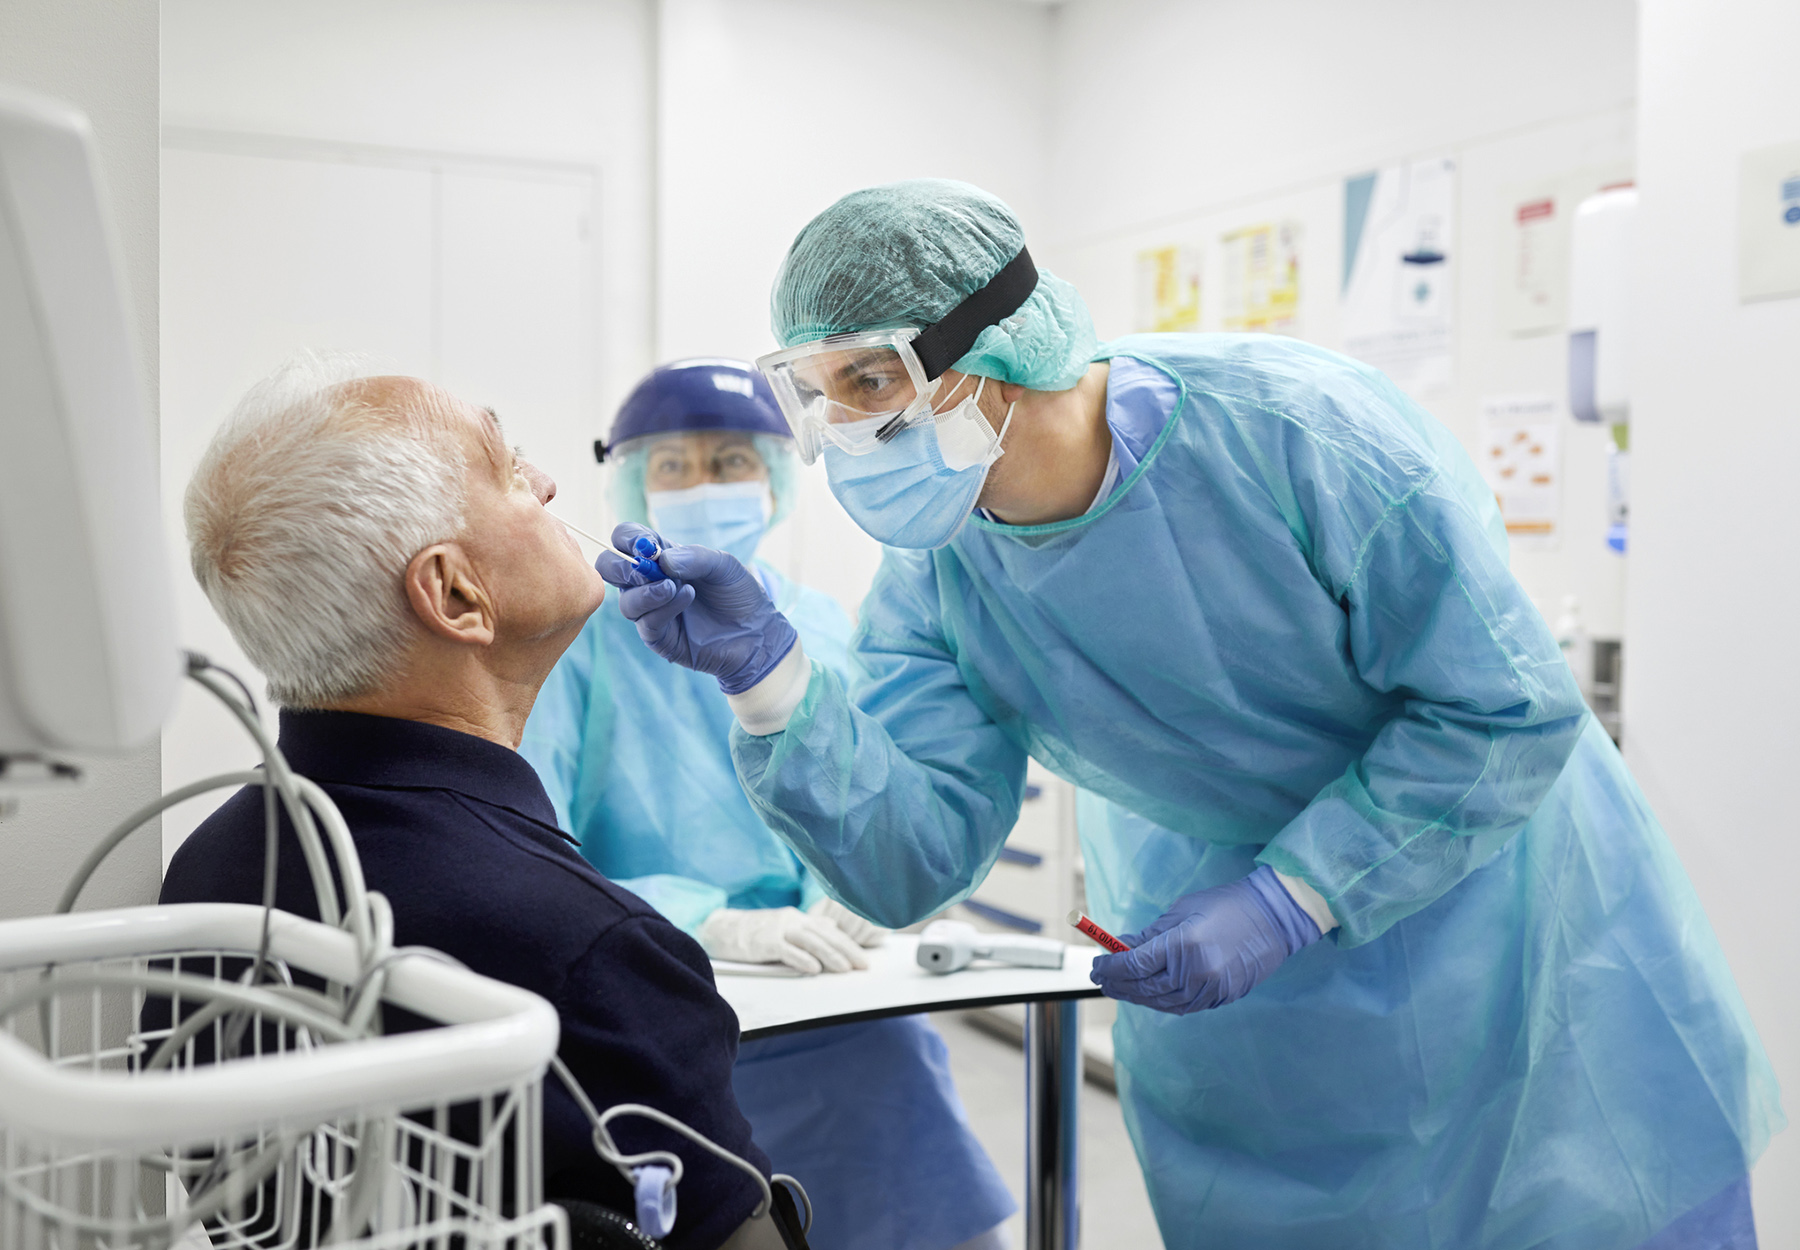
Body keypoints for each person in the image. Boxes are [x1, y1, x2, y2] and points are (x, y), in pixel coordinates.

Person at [595, 180, 1782, 1249]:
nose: (842, 432)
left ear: (991, 345)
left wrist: (1293, 894)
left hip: (1512, 946)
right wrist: (772, 680)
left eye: (868, 380)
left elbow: (1507, 710)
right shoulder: (942, 567)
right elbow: (914, 859)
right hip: (1247, 1022)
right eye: (813, 394)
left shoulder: (1300, 434)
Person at [162, 358, 808, 1250]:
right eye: (509, 467)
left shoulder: (205, 873)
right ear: (457, 594)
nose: (547, 483)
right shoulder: (592, 951)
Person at [520, 357, 1017, 1250]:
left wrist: (858, 888)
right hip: (658, 998)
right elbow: (531, 844)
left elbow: (882, 793)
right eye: (673, 466)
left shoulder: (822, 624)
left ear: (779, 476)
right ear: (630, 479)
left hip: (832, 992)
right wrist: (702, 922)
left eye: (731, 461)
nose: (704, 485)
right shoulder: (585, 642)